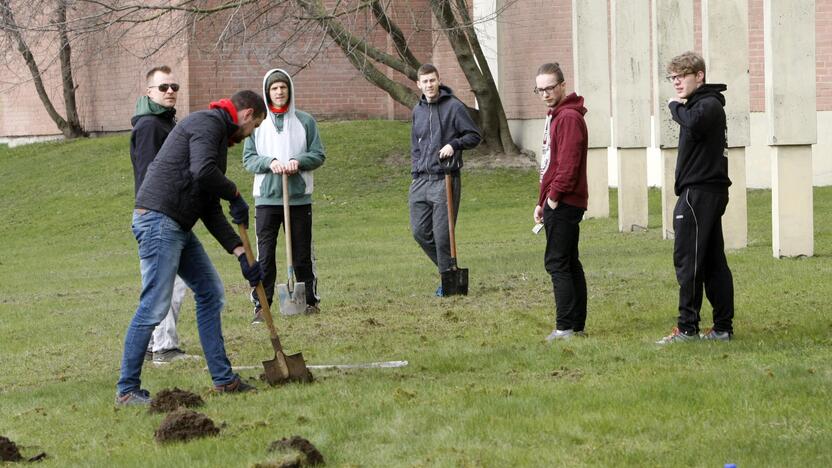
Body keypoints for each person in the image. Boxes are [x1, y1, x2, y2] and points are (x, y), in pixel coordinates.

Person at [116, 90, 267, 405]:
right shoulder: (207, 123)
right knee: (155, 306)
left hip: (177, 225)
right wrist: (235, 194)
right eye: (255, 126)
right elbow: (203, 171)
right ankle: (127, 391)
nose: (251, 134)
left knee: (211, 292)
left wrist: (240, 252)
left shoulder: (218, 138)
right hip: (159, 221)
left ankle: (224, 380)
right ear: (248, 114)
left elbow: (209, 206)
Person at [657, 51, 734, 344]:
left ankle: (687, 328)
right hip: (705, 192)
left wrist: (674, 107)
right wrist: (680, 105)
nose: (676, 83)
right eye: (673, 78)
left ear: (699, 76)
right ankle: (722, 328)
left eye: (682, 76)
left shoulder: (708, 105)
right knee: (712, 260)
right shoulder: (700, 104)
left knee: (688, 259)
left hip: (699, 193)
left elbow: (693, 122)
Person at [243, 69, 325, 322]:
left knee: (302, 253)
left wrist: (296, 161)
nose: (279, 92)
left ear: (289, 90)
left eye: (283, 87)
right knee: (265, 256)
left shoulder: (305, 121)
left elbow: (318, 154)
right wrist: (271, 162)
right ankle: (262, 306)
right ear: (268, 93)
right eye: (274, 88)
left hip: (298, 198)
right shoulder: (258, 125)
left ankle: (309, 301)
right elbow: (249, 159)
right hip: (267, 200)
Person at [129, 65, 194, 364]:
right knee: (165, 286)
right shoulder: (149, 127)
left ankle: (150, 346)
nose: (170, 92)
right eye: (163, 87)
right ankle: (163, 347)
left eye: (174, 87)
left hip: (170, 212)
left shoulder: (167, 124)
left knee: (164, 286)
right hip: (159, 215)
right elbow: (147, 174)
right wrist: (156, 213)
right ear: (149, 92)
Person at [409, 63, 481, 296]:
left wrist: (454, 144)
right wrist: (415, 172)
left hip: (445, 178)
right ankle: (449, 271)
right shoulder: (417, 111)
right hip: (420, 180)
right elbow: (415, 146)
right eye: (425, 81)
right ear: (418, 84)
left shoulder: (454, 107)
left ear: (439, 80)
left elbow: (474, 136)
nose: (429, 85)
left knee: (442, 236)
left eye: (432, 80)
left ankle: (449, 283)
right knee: (419, 232)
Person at [532, 62, 589, 342]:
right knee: (569, 261)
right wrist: (542, 201)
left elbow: (568, 165)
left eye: (550, 88)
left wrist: (553, 198)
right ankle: (576, 324)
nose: (545, 94)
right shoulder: (557, 115)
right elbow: (550, 164)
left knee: (557, 263)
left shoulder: (568, 117)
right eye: (540, 89)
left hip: (565, 201)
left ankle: (565, 326)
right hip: (557, 201)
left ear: (562, 85)